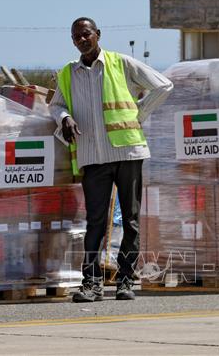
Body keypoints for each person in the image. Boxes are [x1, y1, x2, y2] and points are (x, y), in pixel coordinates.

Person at [49, 17, 173, 302]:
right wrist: (64, 117)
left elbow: (164, 85)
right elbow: (56, 105)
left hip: (127, 152)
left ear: (98, 35)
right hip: (93, 157)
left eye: (86, 34)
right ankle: (91, 284)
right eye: (77, 36)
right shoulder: (68, 74)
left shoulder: (121, 63)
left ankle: (125, 281)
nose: (82, 39)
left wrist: (138, 114)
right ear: (73, 41)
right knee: (95, 221)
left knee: (130, 220)